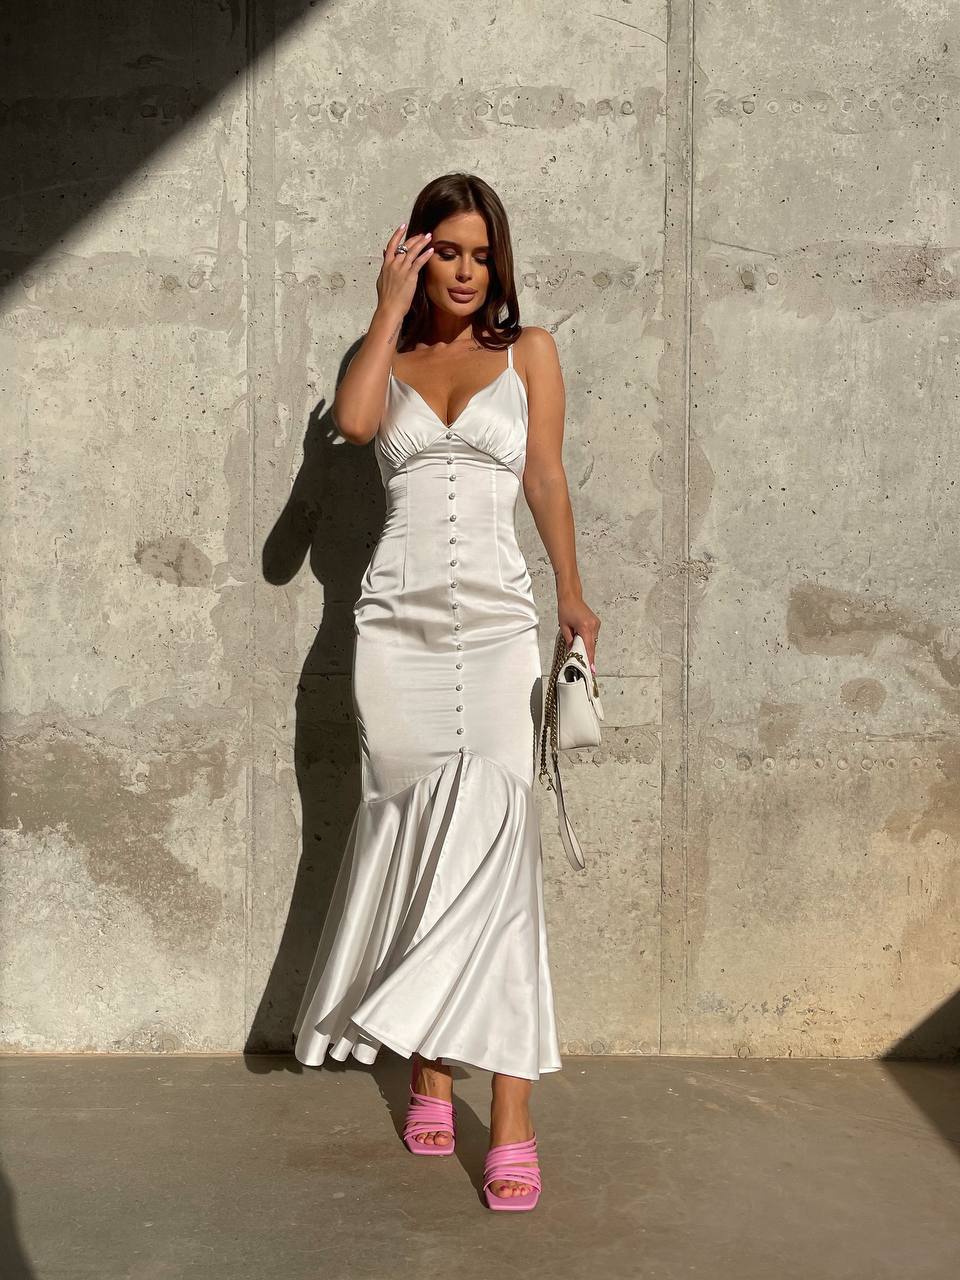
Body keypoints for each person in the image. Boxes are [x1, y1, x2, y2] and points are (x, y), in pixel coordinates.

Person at [292, 172, 600, 1211]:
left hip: (500, 629)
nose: (466, 272)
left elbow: (547, 479)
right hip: (396, 633)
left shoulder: (533, 353)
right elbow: (352, 420)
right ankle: (427, 1058)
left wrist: (574, 596)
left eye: (481, 253)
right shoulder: (392, 353)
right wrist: (386, 310)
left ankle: (510, 1108)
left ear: (498, 259)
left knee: (500, 852)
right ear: (420, 253)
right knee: (417, 835)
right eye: (448, 252)